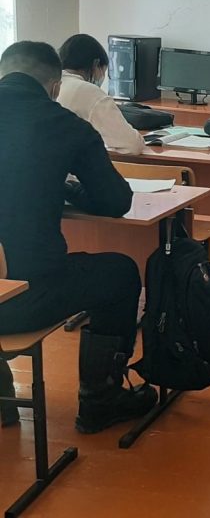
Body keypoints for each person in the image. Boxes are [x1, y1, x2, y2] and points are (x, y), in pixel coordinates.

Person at [0, 41, 156, 434]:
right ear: (55, 86)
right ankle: (99, 399)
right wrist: (68, 188)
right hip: (23, 297)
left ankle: (3, 399)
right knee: (120, 273)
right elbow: (115, 201)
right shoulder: (65, 125)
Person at [56, 34, 145, 155]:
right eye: (103, 71)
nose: (102, 77)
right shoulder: (89, 92)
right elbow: (132, 145)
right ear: (96, 64)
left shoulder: (51, 83)